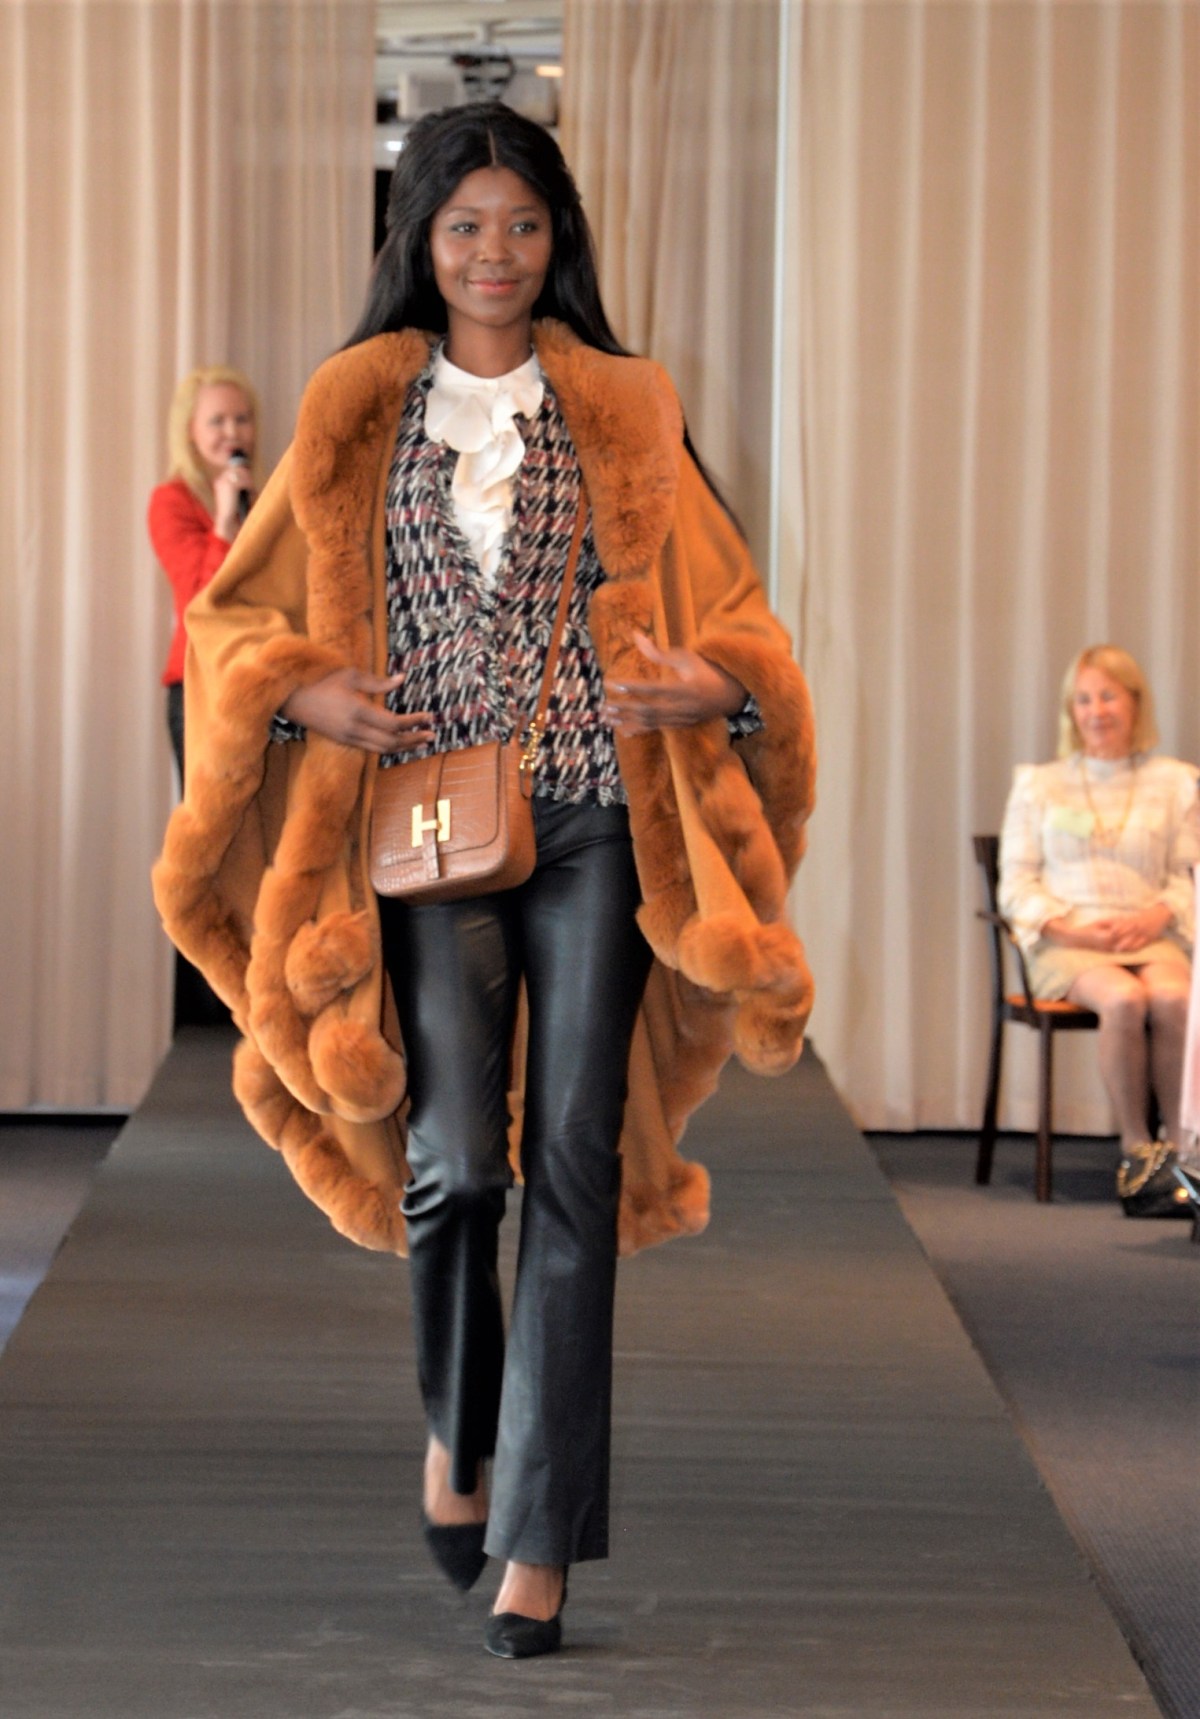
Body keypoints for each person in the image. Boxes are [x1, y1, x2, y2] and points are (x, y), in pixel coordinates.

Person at [153, 103, 816, 1659]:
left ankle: (540, 1538)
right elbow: (235, 619)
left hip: (596, 818)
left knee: (572, 1158)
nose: (495, 253)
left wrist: (714, 682)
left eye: (521, 224)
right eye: (465, 226)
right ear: (422, 240)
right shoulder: (355, 407)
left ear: (556, 236)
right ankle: (461, 1416)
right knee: (457, 1161)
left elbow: (736, 611)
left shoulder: (627, 407)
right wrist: (303, 691)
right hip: (428, 823)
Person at [999, 645, 1199, 1206]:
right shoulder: (1039, 785)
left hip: (1150, 933)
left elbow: (1188, 875)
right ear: (1071, 710)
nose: (1097, 711)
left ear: (1135, 703)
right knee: (1124, 999)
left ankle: (1184, 1150)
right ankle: (1138, 1149)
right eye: (1084, 699)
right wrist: (1071, 930)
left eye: (1108, 696)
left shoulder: (1176, 782)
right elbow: (1016, 883)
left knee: (1175, 998)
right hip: (1069, 940)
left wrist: (1157, 915)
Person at [148, 365, 259, 784]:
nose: (232, 432)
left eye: (242, 418)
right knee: (207, 817)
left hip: (257, 682)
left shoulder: (261, 498)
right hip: (199, 683)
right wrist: (225, 524)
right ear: (190, 432)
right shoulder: (171, 501)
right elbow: (199, 598)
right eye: (217, 421)